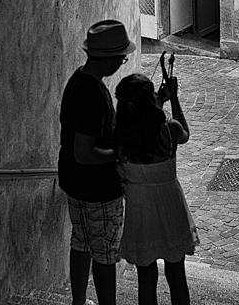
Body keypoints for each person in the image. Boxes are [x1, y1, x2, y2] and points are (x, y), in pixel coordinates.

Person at [58, 19, 136, 305]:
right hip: (98, 189)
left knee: (81, 242)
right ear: (107, 59)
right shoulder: (92, 95)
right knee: (104, 254)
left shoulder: (78, 80)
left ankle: (78, 302)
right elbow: (85, 153)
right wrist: (118, 153)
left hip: (74, 182)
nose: (121, 63)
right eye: (121, 59)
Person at [112, 61, 199, 305]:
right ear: (150, 102)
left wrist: (156, 100)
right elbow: (185, 133)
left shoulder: (121, 139)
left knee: (146, 277)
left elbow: (141, 126)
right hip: (169, 203)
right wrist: (173, 99)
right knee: (176, 273)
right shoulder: (170, 130)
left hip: (140, 208)